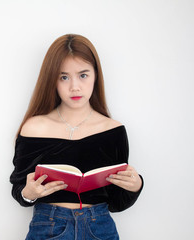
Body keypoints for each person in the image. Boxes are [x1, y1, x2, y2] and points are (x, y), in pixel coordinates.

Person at [9, 34, 143, 240]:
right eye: (64, 77)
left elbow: (117, 203)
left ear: (95, 75)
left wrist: (136, 186)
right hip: (49, 225)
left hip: (100, 227)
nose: (75, 87)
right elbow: (19, 189)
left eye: (83, 75)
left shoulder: (113, 130)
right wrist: (29, 193)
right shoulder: (35, 127)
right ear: (52, 80)